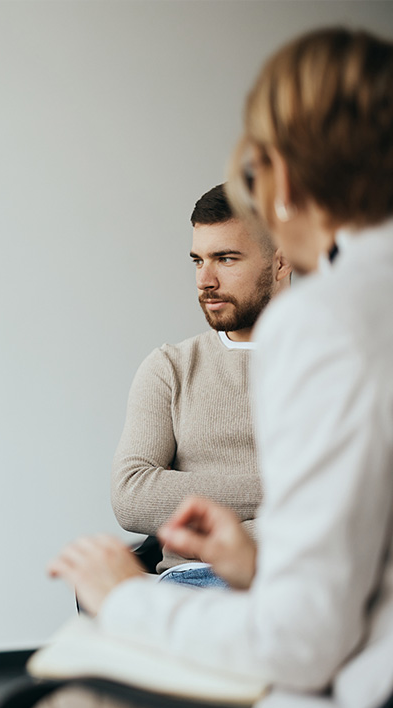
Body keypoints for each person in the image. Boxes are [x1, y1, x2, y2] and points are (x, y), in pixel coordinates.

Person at [30, 27, 393, 708]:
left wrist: (129, 603)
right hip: (361, 662)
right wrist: (260, 541)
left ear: (286, 184)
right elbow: (134, 492)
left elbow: (302, 641)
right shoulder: (176, 363)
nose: (207, 277)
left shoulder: (326, 323)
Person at [111, 183, 290, 587]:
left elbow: (348, 505)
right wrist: (289, 486)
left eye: (225, 259)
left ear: (281, 262)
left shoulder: (332, 366)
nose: (204, 280)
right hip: (193, 580)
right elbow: (131, 494)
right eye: (197, 260)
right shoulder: (169, 368)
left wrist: (210, 537)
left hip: (295, 576)